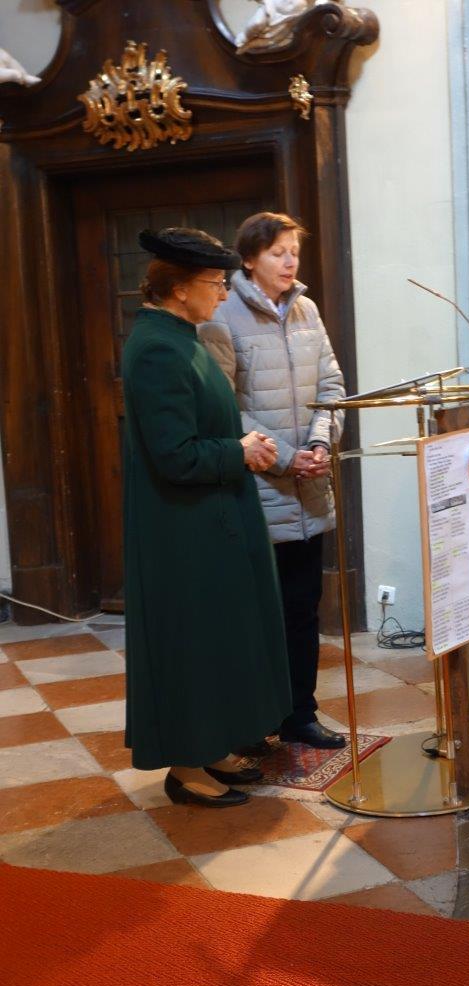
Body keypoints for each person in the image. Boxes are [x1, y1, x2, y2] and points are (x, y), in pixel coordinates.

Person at [123, 226, 292, 807]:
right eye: (215, 283)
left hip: (207, 518)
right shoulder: (156, 349)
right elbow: (174, 455)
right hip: (181, 529)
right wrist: (238, 452)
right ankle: (185, 768)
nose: (223, 293)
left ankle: (211, 747)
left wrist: (242, 443)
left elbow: (203, 427)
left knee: (216, 640)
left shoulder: (182, 338)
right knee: (190, 646)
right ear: (178, 288)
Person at [199, 212, 346, 750]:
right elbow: (222, 407)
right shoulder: (222, 314)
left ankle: (299, 715)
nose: (290, 262)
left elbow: (331, 386)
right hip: (259, 489)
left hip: (309, 488)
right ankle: (253, 719)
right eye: (278, 252)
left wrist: (320, 444)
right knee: (257, 614)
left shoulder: (307, 309)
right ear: (249, 259)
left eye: (294, 252)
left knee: (303, 609)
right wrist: (286, 458)